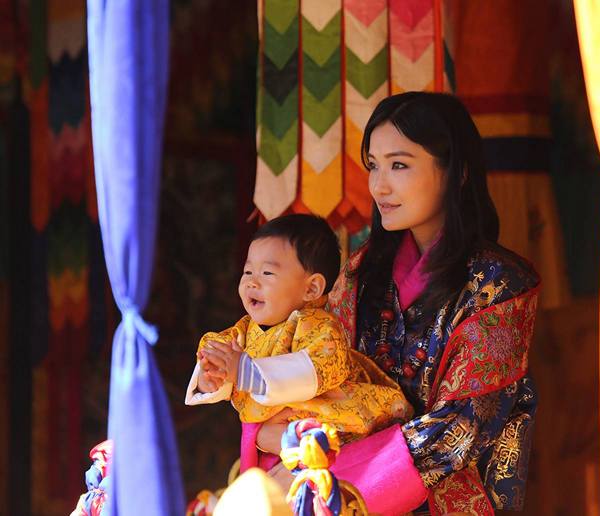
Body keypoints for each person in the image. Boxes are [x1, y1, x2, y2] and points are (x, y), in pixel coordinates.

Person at [249, 92, 541, 515]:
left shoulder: (500, 287)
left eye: (399, 165)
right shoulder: (359, 274)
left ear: (456, 172)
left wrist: (328, 479)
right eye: (373, 165)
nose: (379, 185)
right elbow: (327, 383)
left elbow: (457, 431)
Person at [185, 214, 412, 443]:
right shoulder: (242, 332)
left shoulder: (318, 326)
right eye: (248, 272)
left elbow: (315, 370)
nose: (252, 282)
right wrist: (211, 377)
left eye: (267, 273)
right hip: (281, 432)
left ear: (312, 288)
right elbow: (218, 361)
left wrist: (245, 371)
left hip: (334, 423)